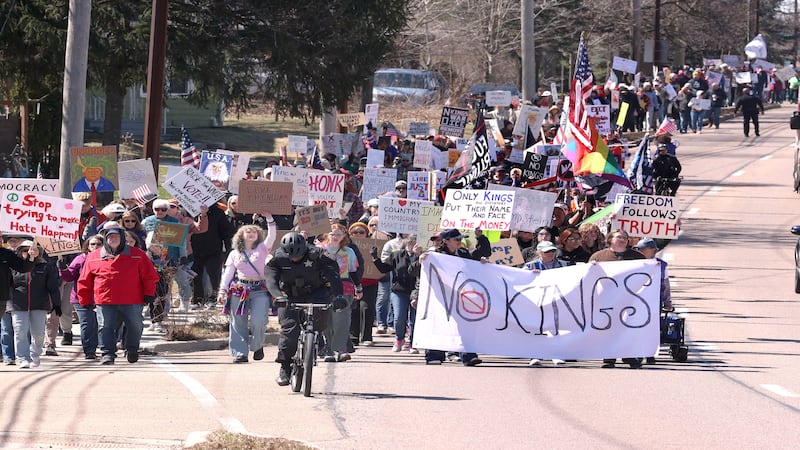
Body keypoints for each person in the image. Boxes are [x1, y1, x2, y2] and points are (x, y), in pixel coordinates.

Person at [265, 232, 344, 386]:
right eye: (291, 257)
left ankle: (318, 336)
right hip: (289, 295)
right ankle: (285, 366)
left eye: (298, 256)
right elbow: (270, 279)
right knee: (289, 331)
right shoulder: (276, 258)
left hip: (317, 292)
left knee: (321, 316)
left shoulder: (319, 255)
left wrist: (338, 296)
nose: (294, 259)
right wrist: (278, 296)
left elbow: (334, 276)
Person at [77, 225, 160, 365]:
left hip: (132, 300)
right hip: (104, 300)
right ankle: (108, 354)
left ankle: (132, 348)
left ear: (122, 237)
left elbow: (150, 276)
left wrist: (148, 293)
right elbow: (84, 280)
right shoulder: (93, 257)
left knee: (136, 326)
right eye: (109, 236)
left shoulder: (137, 254)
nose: (112, 239)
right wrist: (84, 300)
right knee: (105, 327)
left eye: (116, 236)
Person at [422, 229, 486, 366]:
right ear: (445, 241)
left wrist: (481, 263)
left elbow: (472, 268)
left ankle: (468, 355)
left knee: (465, 323)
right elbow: (416, 272)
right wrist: (420, 260)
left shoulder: (463, 253)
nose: (460, 242)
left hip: (460, 294)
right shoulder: (434, 255)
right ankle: (434, 355)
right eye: (456, 239)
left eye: (460, 239)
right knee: (438, 323)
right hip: (439, 295)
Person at [217, 218, 277, 363]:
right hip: (240, 288)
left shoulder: (262, 248)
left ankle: (257, 346)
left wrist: (269, 219)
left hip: (260, 289)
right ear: (241, 235)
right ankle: (240, 353)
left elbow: (272, 236)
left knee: (259, 320)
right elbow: (228, 273)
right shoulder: (234, 254)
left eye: (254, 231)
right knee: (238, 322)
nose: (251, 233)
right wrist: (222, 290)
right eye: (247, 231)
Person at [588, 229, 646, 369]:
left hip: (630, 298)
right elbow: (588, 276)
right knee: (609, 328)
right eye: (619, 237)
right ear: (610, 239)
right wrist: (592, 267)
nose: (623, 239)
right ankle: (609, 357)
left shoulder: (637, 256)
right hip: (607, 300)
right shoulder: (599, 256)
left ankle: (629, 356)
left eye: (625, 237)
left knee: (628, 328)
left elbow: (646, 274)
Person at [10, 241, 60, 369]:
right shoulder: (13, 267)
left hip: (39, 304)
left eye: (33, 250)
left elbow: (53, 286)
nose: (29, 252)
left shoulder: (45, 266)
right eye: (25, 250)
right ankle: (22, 358)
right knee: (20, 332)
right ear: (20, 252)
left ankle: (35, 355)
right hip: (18, 304)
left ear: (38, 252)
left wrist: (56, 303)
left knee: (38, 333)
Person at [316, 224, 360, 362]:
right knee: (327, 320)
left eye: (339, 234)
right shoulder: (319, 250)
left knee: (342, 319)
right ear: (326, 235)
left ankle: (341, 349)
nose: (335, 237)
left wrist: (358, 287)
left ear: (344, 236)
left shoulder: (349, 252)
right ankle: (329, 349)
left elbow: (353, 271)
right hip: (324, 287)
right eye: (332, 234)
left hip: (344, 286)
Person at [371, 235, 421, 354]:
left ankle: (413, 343)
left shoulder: (422, 257)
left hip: (417, 290)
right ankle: (399, 339)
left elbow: (416, 270)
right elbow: (384, 269)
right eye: (410, 242)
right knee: (399, 317)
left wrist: (417, 256)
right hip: (399, 290)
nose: (412, 244)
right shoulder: (397, 254)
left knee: (415, 318)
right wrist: (375, 258)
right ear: (406, 243)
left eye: (415, 242)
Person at [58, 235, 103, 359]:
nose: (95, 247)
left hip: (102, 297)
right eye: (92, 244)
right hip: (81, 297)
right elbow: (68, 277)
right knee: (87, 324)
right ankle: (89, 351)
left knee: (99, 324)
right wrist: (62, 268)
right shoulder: (80, 259)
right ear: (87, 246)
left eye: (98, 244)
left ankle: (103, 347)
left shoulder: (108, 259)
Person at [523, 240, 567, 366]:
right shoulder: (530, 266)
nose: (551, 254)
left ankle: (555, 354)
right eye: (547, 251)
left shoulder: (563, 265)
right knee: (537, 329)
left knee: (556, 328)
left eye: (553, 251)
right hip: (537, 302)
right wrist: (530, 276)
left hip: (556, 300)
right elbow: (520, 279)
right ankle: (535, 355)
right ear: (539, 252)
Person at [1, 234, 35, 365]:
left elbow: (24, 268)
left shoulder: (6, 254)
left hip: (3, 297)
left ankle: (10, 356)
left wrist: (31, 257)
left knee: (8, 329)